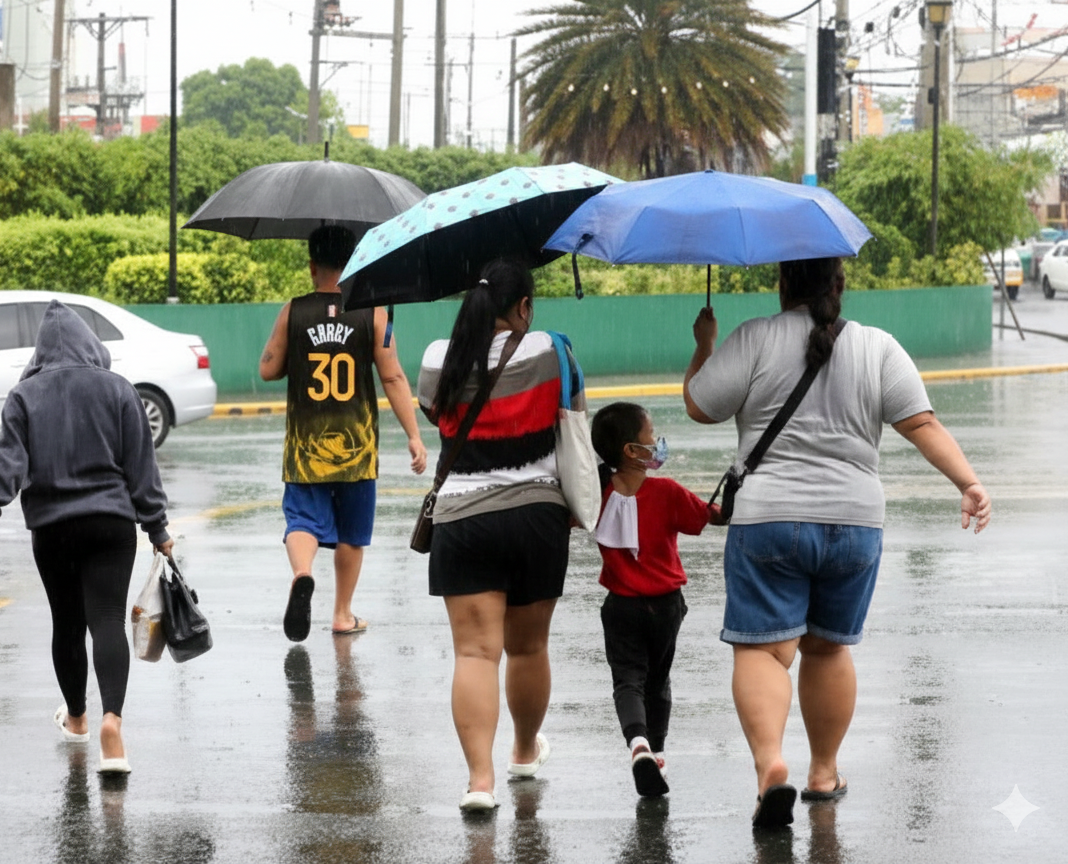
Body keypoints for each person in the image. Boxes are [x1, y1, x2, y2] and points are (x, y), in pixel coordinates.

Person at [683, 257, 992, 829]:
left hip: (769, 519)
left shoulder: (755, 337)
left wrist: (704, 345)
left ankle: (770, 766)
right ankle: (823, 773)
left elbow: (700, 406)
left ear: (783, 284)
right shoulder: (878, 346)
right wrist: (968, 483)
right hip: (855, 523)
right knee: (826, 650)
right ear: (839, 285)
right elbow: (922, 424)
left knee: (764, 651)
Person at [0, 300, 174, 775]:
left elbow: (8, 463)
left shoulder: (24, 396)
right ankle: (112, 724)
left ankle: (77, 719)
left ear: (38, 353)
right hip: (111, 525)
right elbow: (142, 468)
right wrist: (157, 527)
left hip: (53, 528)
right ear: (91, 346)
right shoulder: (119, 389)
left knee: (67, 624)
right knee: (106, 620)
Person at [417, 258, 576, 812]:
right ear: (524, 306)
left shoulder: (437, 358)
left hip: (463, 519)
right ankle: (525, 752)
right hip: (537, 517)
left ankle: (479, 782)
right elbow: (574, 421)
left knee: (474, 654)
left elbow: (437, 415)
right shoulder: (553, 351)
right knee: (528, 647)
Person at [259, 225, 427, 642]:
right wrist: (414, 435)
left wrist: (299, 351)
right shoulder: (373, 313)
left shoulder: (293, 311)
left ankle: (302, 573)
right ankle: (342, 614)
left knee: (302, 519)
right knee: (352, 533)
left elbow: (268, 369)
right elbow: (393, 377)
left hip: (306, 447)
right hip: (357, 447)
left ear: (312, 266)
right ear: (354, 264)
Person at [589, 402, 723, 798]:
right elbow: (707, 517)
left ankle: (638, 745)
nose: (657, 442)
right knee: (658, 680)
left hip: (621, 606)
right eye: (651, 436)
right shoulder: (667, 492)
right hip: (666, 606)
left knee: (628, 680)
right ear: (632, 450)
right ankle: (658, 753)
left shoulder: (598, 494)